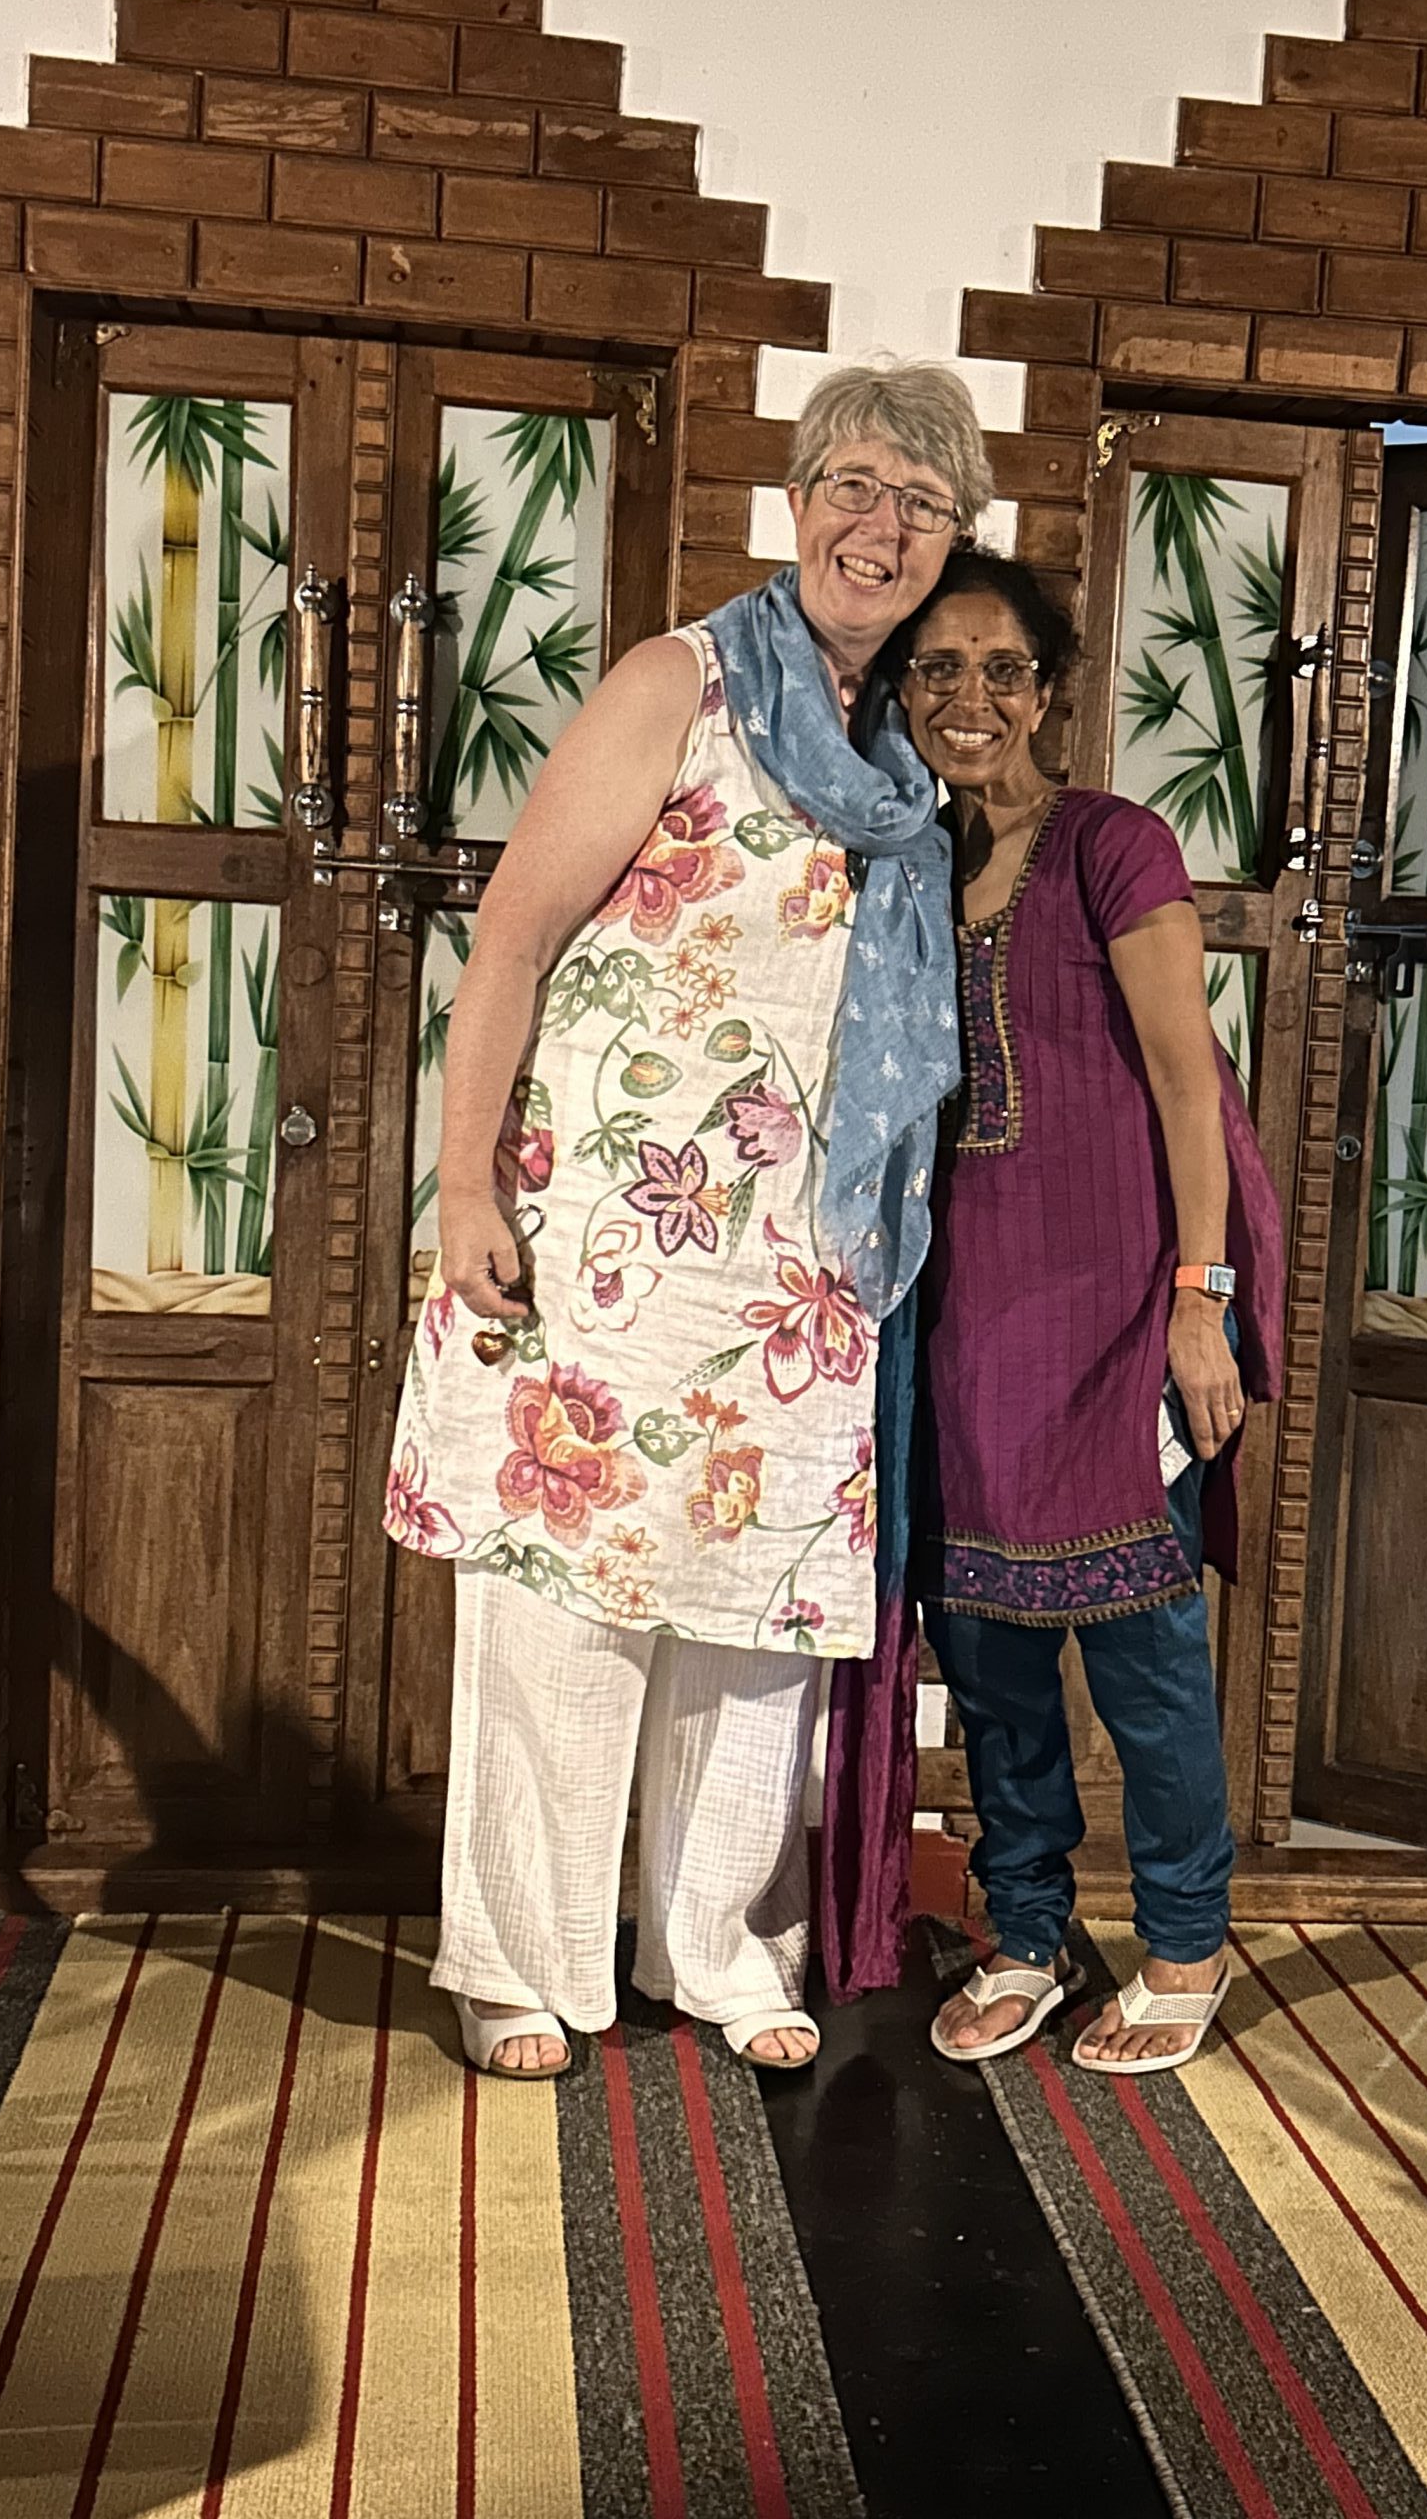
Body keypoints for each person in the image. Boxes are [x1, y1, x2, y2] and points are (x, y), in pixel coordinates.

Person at [384, 363, 994, 2079]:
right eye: (856, 485)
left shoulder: (913, 749)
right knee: (563, 1600)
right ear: (798, 504)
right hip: (604, 1228)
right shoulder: (685, 681)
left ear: (952, 542)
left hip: (803, 1261)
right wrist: (463, 1183)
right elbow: (511, 936)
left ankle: (719, 1951)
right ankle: (521, 1964)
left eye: (923, 505)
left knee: (756, 1608)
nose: (882, 526)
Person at [887, 550, 1284, 2075]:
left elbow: (1189, 1088)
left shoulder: (1114, 845)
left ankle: (1186, 1940)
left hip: (1120, 1309)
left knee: (1143, 1653)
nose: (968, 698)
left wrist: (1200, 1301)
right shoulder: (904, 861)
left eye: (1002, 668)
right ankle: (1029, 1932)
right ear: (902, 693)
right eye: (937, 669)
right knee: (986, 1651)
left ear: (1049, 692)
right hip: (963, 1319)